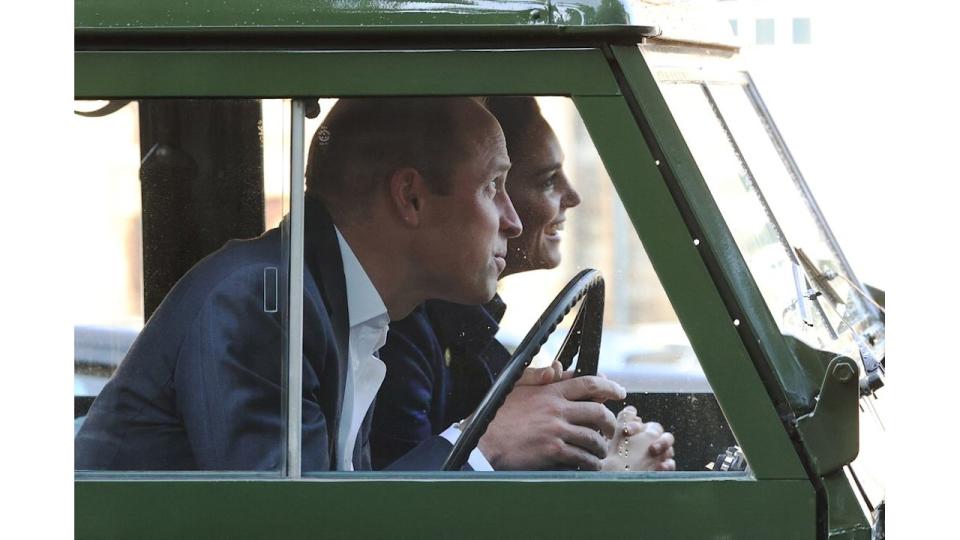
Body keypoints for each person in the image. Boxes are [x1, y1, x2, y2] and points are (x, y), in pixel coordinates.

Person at [75, 97, 526, 471]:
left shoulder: (342, 305)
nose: (514, 221)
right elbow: (289, 524)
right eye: (494, 185)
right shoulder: (264, 301)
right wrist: (485, 444)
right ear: (410, 197)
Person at [371, 97, 676, 472]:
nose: (573, 196)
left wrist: (588, 445)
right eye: (547, 179)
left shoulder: (459, 328)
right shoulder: (398, 337)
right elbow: (409, 508)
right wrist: (613, 475)